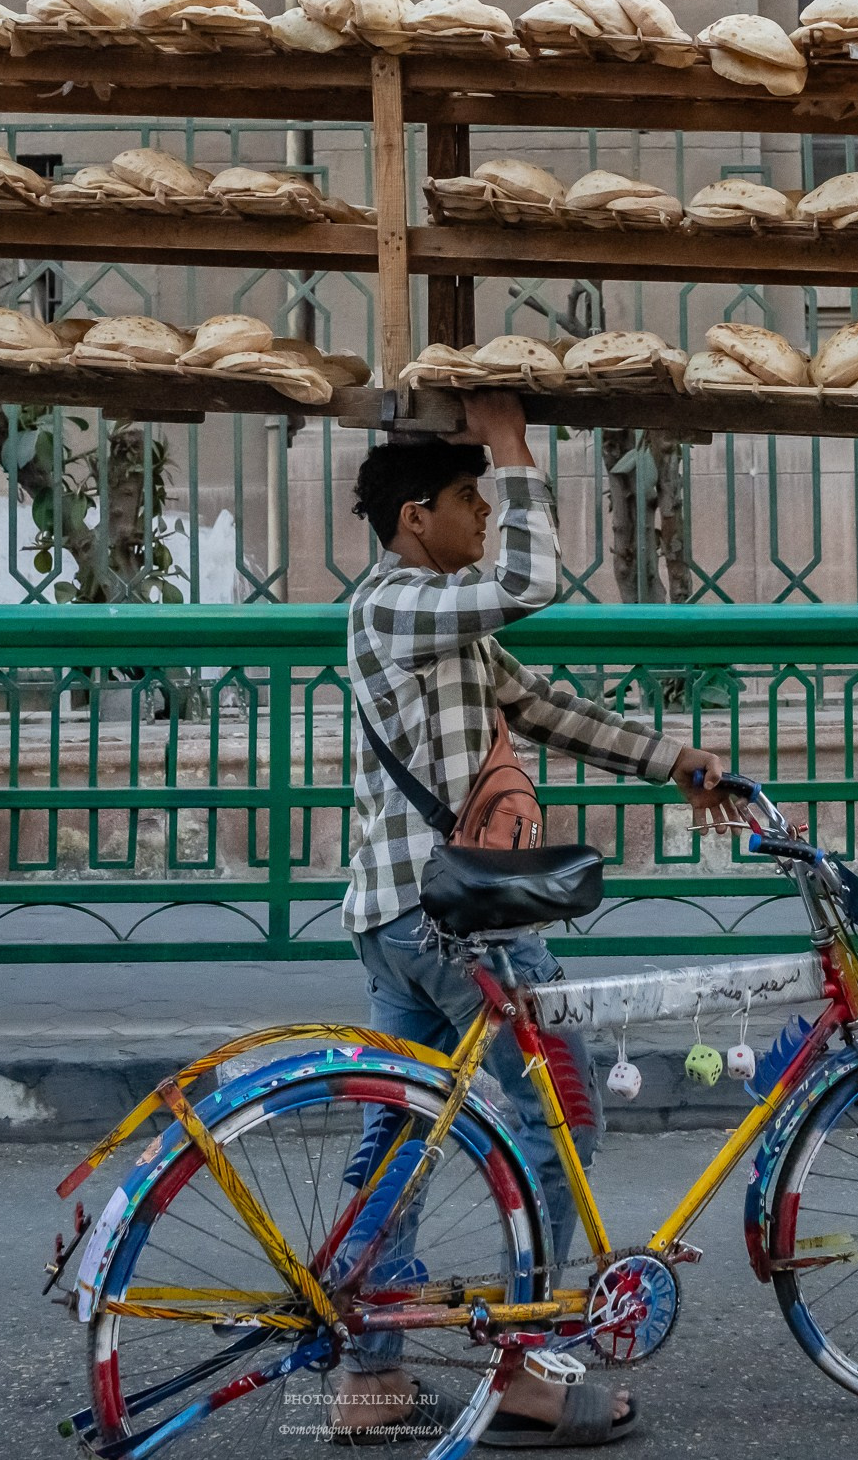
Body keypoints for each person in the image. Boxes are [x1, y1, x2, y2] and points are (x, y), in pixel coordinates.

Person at [335, 391, 729, 1446]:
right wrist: (513, 448)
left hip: (398, 921)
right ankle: (521, 1364)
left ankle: (368, 1380)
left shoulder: (438, 620)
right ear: (416, 516)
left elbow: (545, 707)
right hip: (459, 921)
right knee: (563, 1118)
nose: (481, 519)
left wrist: (679, 762)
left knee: (400, 1141)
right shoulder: (393, 605)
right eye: (470, 502)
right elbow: (531, 581)